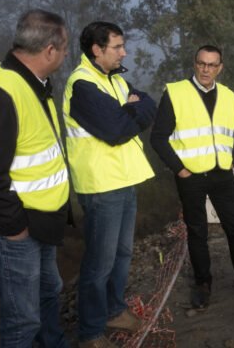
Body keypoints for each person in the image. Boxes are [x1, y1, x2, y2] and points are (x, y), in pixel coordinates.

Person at [0, 9, 70, 347]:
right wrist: (15, 229)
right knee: (22, 319)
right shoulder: (1, 95)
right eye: (64, 48)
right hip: (12, 231)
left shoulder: (32, 84)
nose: (65, 55)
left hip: (39, 223)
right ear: (50, 50)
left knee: (50, 292)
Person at [150, 45, 234, 311]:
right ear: (195, 64)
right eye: (201, 63)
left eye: (212, 65)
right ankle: (203, 284)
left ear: (220, 67)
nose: (206, 69)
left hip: (221, 174)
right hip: (190, 176)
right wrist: (179, 169)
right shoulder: (175, 92)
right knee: (197, 232)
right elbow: (158, 137)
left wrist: (230, 159)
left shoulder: (228, 95)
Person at [63, 21, 156, 347]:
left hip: (125, 179)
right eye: (117, 47)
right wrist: (132, 109)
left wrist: (133, 106)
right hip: (101, 186)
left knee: (122, 253)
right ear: (96, 50)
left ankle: (114, 310)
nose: (124, 52)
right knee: (98, 263)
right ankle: (90, 333)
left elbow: (149, 103)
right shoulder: (82, 85)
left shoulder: (114, 78)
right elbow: (116, 130)